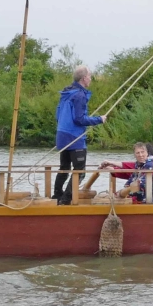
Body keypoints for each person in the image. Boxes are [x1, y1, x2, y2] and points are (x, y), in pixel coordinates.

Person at [53, 64, 105, 204]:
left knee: (64, 167)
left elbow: (58, 115)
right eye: (89, 76)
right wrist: (99, 119)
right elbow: (79, 119)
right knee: (80, 172)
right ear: (83, 78)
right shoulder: (79, 95)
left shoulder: (66, 92)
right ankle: (65, 200)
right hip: (74, 138)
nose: (90, 79)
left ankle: (57, 195)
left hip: (62, 135)